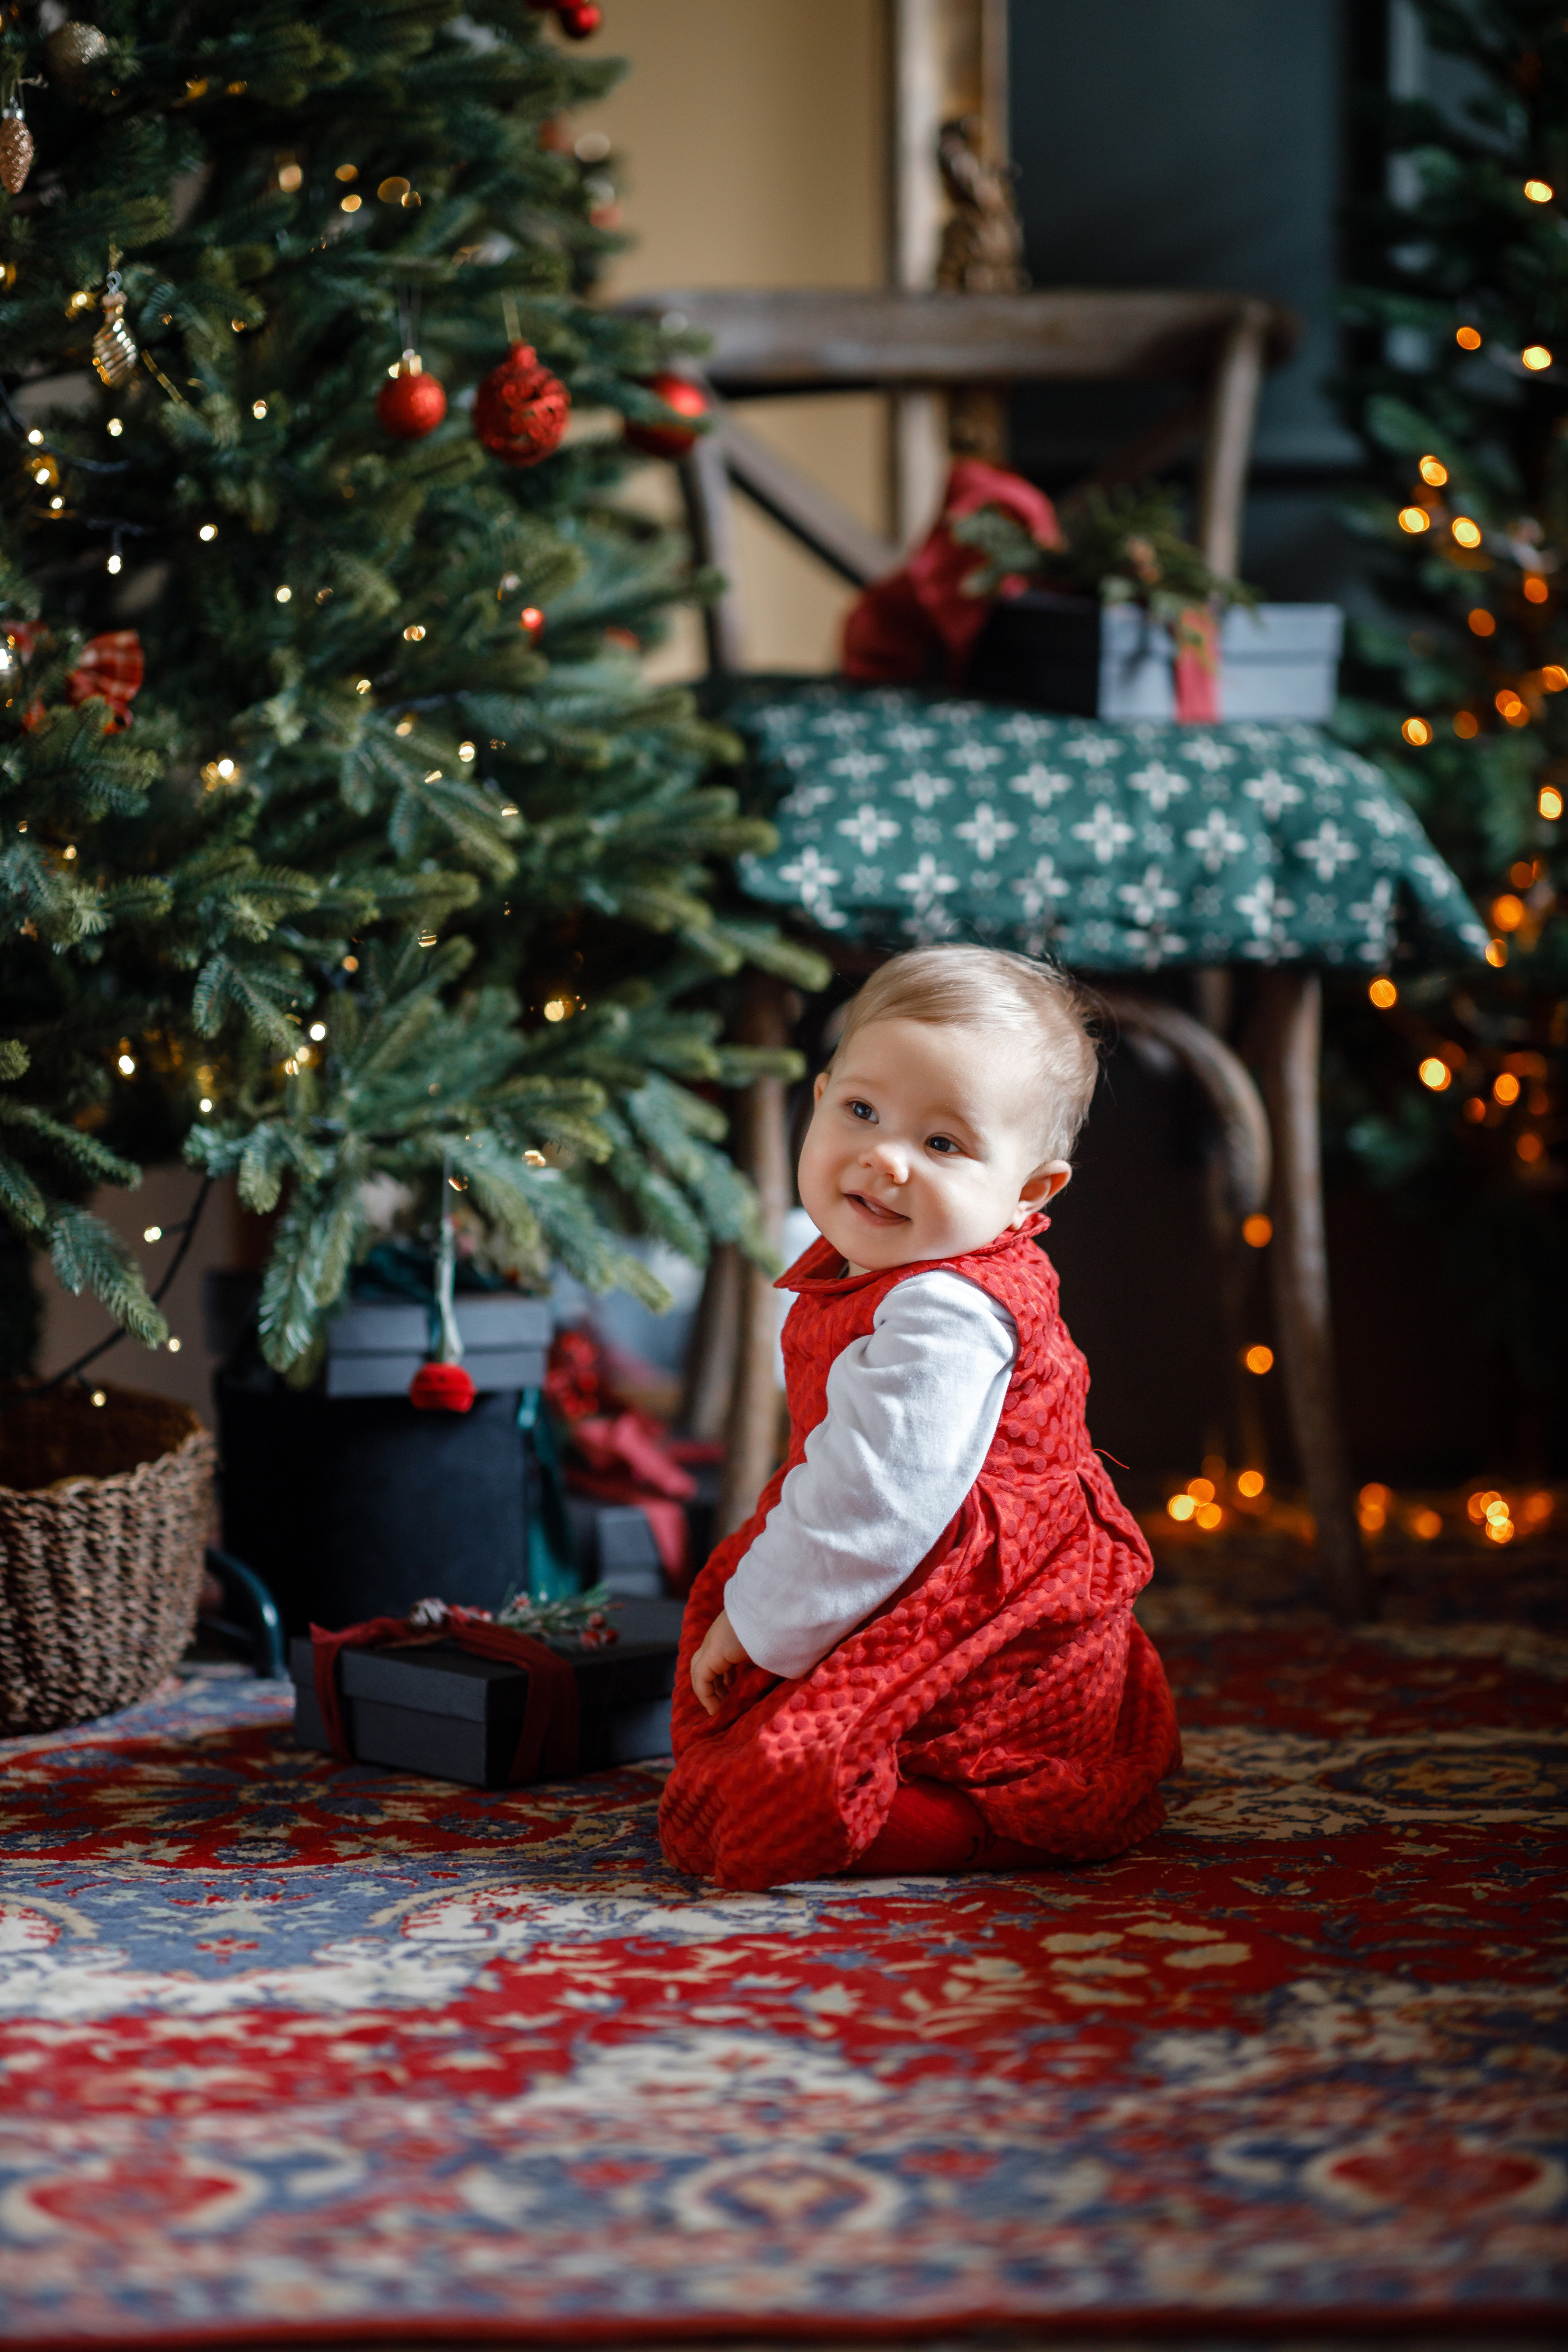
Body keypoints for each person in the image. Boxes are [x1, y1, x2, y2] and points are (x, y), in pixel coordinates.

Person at [658, 946, 1180, 1891]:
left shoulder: (945, 1311)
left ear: (1029, 1192)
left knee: (763, 1794)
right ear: (819, 1099)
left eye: (943, 1145)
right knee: (747, 1731)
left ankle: (957, 1820)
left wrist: (758, 1624)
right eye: (861, 1111)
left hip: (976, 1606)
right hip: (912, 1562)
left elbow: (873, 1506)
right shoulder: (890, 1262)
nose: (885, 1158)